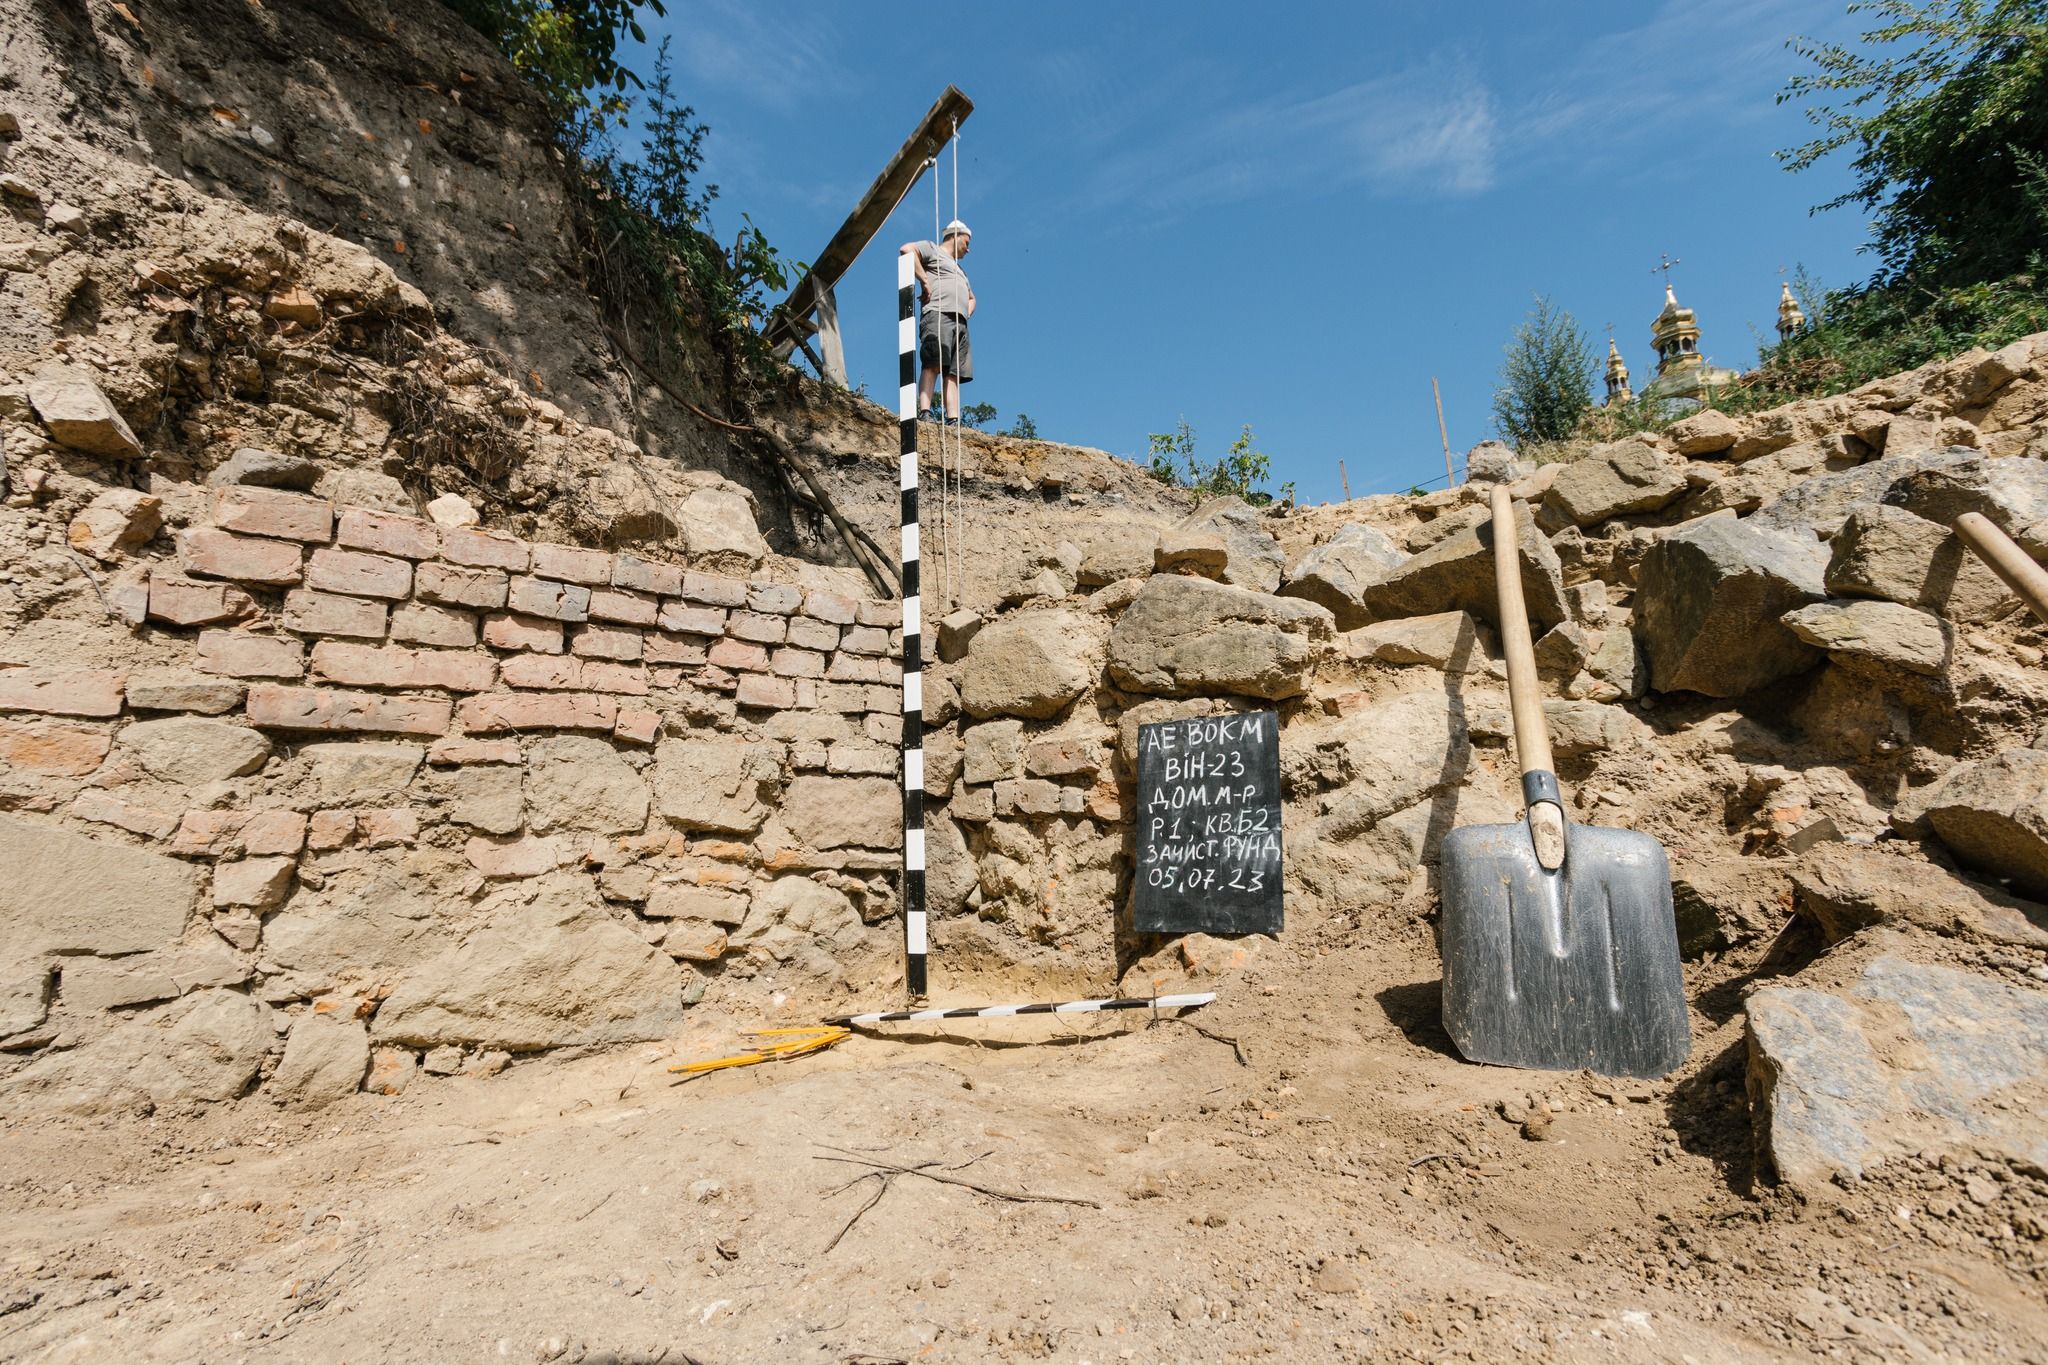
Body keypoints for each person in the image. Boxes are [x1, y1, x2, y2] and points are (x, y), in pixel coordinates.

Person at [900, 220, 974, 421]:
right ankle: (925, 411)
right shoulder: (932, 249)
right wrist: (924, 281)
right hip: (937, 314)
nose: (968, 249)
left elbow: (971, 297)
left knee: (953, 374)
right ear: (955, 235)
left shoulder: (961, 271)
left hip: (960, 323)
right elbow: (907, 249)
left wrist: (965, 312)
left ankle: (953, 419)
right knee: (933, 362)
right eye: (967, 243)